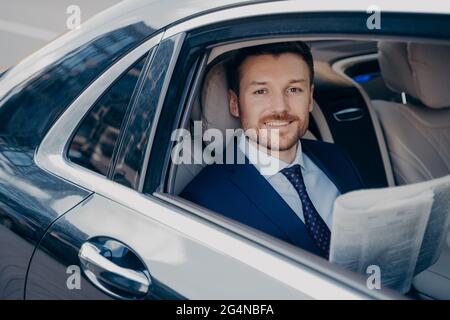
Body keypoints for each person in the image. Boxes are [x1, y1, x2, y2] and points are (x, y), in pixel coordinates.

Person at [180, 41, 363, 259]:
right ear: (235, 104)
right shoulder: (203, 203)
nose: (280, 108)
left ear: (310, 98)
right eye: (261, 91)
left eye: (294, 89)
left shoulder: (337, 157)